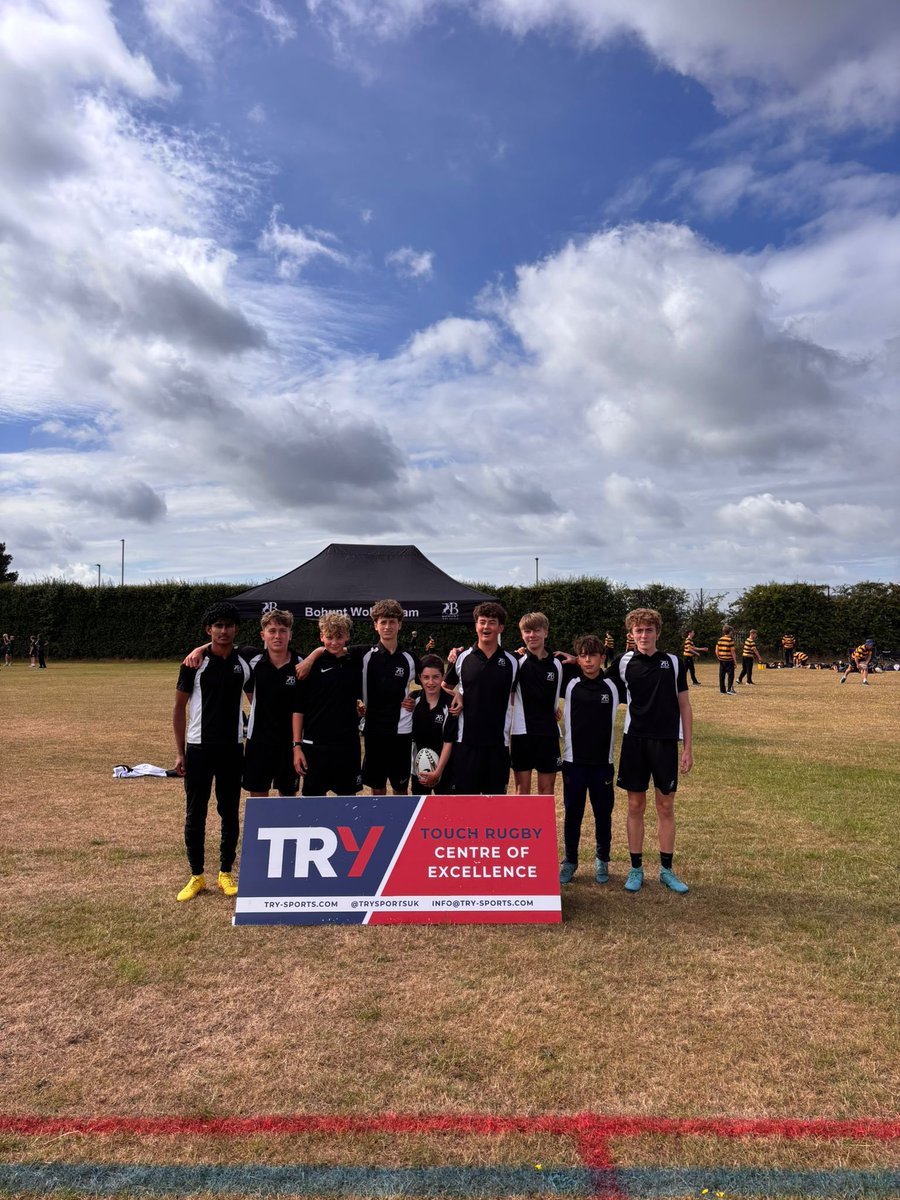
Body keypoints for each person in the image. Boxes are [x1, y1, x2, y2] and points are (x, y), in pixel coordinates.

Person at [609, 607, 693, 895]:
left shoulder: (674, 662)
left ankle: (667, 871)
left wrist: (688, 748)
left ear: (657, 632)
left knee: (665, 806)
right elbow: (596, 680)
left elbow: (684, 705)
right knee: (635, 806)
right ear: (631, 634)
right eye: (638, 630)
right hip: (634, 741)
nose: (643, 635)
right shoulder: (622, 662)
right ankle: (635, 869)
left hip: (665, 742)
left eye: (648, 630)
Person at [298, 599, 420, 796]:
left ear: (400, 624)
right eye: (383, 622)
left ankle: (400, 826)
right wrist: (310, 658)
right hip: (373, 730)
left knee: (400, 787)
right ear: (375, 625)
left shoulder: (409, 657)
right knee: (377, 786)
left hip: (401, 731)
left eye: (392, 621)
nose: (387, 626)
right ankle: (381, 824)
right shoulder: (363, 653)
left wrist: (415, 695)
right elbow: (331, 647)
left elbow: (432, 683)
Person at [172, 602, 251, 902]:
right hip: (198, 749)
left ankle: (225, 872)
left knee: (229, 811)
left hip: (232, 749)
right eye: (217, 626)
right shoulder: (194, 664)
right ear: (209, 629)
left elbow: (255, 703)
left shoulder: (244, 663)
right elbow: (179, 709)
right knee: (196, 812)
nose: (223, 630)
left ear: (235, 629)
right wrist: (180, 753)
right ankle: (196, 876)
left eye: (229, 625)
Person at [183, 609, 304, 798]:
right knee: (258, 799)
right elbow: (222, 642)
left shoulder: (301, 663)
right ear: (263, 635)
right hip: (258, 741)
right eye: (272, 631)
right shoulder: (251, 659)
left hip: (288, 744)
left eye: (282, 630)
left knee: (287, 799)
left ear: (291, 634)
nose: (277, 636)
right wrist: (199, 649)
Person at [556, 635, 620, 886]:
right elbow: (543, 663)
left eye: (592, 655)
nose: (587, 660)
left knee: (603, 814)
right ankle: (570, 861)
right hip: (573, 761)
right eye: (582, 655)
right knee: (573, 813)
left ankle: (602, 859)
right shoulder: (569, 683)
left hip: (602, 763)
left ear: (602, 658)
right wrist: (571, 661)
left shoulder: (613, 685)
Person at [444, 602, 519, 795]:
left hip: (498, 745)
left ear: (500, 628)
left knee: (494, 806)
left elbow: (518, 695)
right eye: (482, 622)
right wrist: (458, 694)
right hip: (466, 743)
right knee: (464, 804)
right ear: (476, 625)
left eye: (492, 622)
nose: (486, 627)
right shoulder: (462, 657)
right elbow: (443, 687)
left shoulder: (512, 661)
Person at [292, 613, 364, 796]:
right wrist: (297, 745)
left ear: (347, 636)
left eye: (339, 637)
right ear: (321, 637)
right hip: (315, 746)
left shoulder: (356, 661)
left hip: (346, 746)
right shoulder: (309, 666)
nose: (334, 642)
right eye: (329, 637)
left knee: (348, 804)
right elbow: (298, 708)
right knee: (313, 805)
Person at [510, 612, 563, 796]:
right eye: (527, 631)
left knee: (546, 791)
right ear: (522, 635)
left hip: (548, 734)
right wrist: (456, 654)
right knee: (521, 791)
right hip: (521, 734)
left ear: (545, 632)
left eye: (536, 630)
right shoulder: (516, 661)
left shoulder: (558, 663)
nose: (532, 635)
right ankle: (522, 826)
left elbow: (591, 664)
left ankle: (542, 826)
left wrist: (576, 659)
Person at [410, 653, 457, 795]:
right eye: (426, 677)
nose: (430, 682)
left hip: (446, 768)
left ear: (443, 677)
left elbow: (448, 742)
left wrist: (438, 772)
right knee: (419, 809)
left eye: (435, 677)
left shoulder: (451, 703)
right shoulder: (413, 700)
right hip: (419, 768)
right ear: (419, 678)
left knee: (446, 812)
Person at [716, 625, 739, 696]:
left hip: (722, 660)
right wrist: (735, 662)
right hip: (729, 660)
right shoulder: (730, 640)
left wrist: (719, 657)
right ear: (730, 632)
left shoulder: (720, 639)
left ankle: (722, 690)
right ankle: (729, 689)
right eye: (732, 631)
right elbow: (733, 652)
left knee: (722, 675)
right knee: (730, 675)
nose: (732, 633)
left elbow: (716, 650)